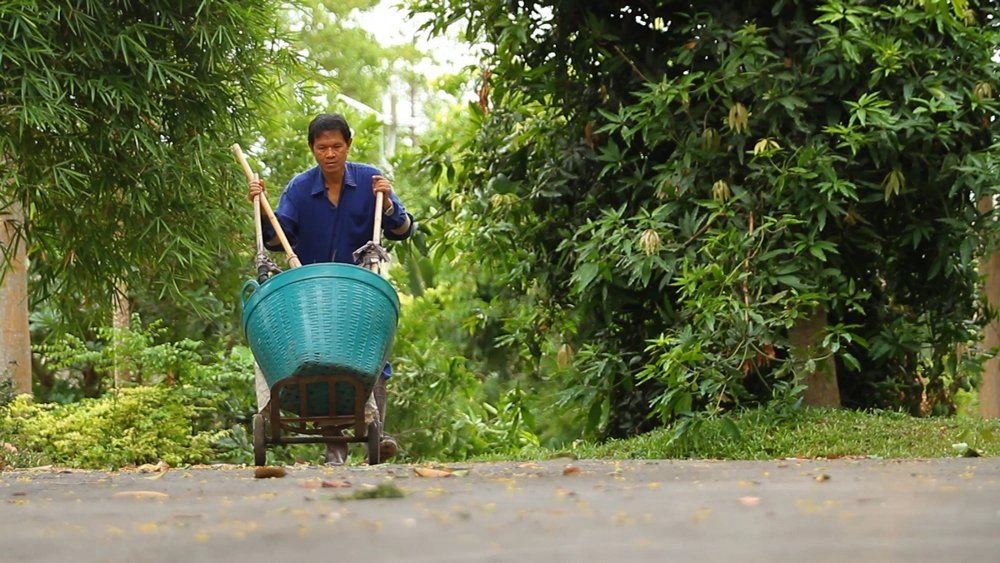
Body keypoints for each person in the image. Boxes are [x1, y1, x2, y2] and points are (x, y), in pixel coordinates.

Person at [247, 112, 414, 465]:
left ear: (348, 145)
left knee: (371, 356)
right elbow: (280, 239)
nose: (330, 154)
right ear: (312, 149)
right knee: (321, 356)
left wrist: (388, 202)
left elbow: (402, 229)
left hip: (359, 289)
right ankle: (334, 447)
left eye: (337, 146)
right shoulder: (299, 188)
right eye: (322, 147)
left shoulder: (370, 180)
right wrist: (261, 209)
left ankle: (376, 430)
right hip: (312, 294)